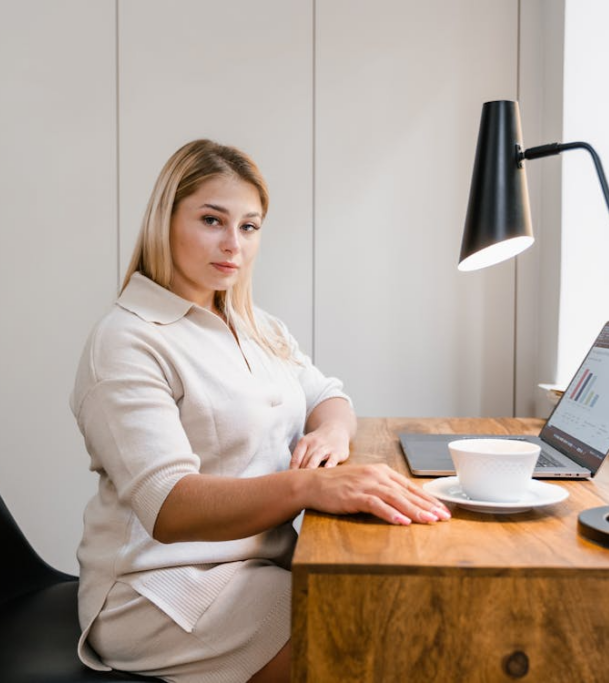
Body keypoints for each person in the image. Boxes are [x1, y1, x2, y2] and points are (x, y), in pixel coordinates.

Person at [70, 139, 451, 683]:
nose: (234, 244)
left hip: (258, 566)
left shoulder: (253, 324)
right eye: (212, 220)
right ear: (164, 220)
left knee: (405, 612)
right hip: (159, 587)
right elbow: (169, 506)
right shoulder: (127, 340)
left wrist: (332, 436)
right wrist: (310, 487)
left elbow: (329, 397)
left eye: (249, 227)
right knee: (375, 636)